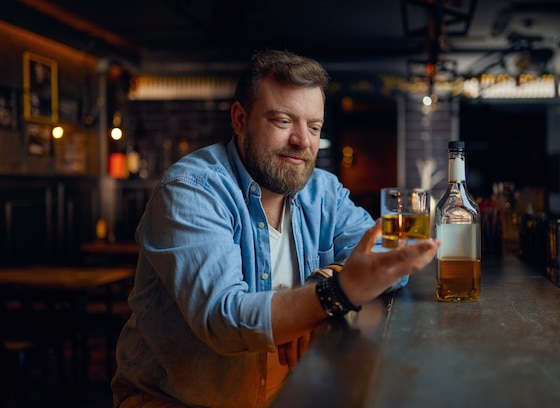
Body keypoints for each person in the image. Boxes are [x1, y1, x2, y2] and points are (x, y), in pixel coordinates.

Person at [111, 49, 440, 408]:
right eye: (283, 121)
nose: (303, 140)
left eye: (314, 127)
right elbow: (222, 318)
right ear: (240, 118)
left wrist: (324, 284)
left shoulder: (323, 190)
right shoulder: (192, 189)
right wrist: (335, 295)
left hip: (287, 393)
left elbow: (393, 255)